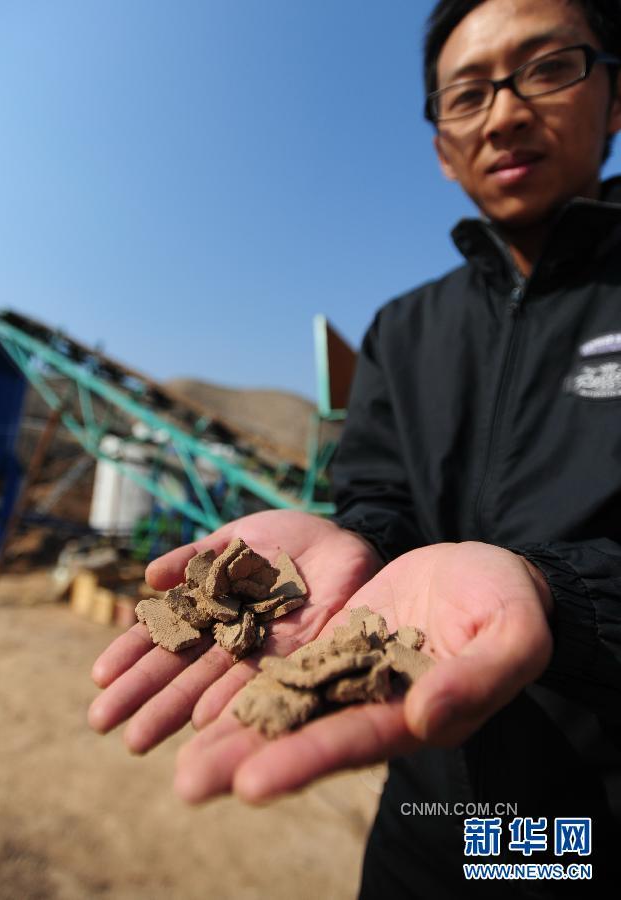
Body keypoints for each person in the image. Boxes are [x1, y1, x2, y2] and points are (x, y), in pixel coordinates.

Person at [88, 0, 621, 895]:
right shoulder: (404, 330)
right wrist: (360, 539)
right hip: (427, 827)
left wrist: (551, 594)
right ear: (440, 146)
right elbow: (377, 497)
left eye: (546, 67)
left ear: (613, 97)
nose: (503, 111)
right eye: (465, 93)